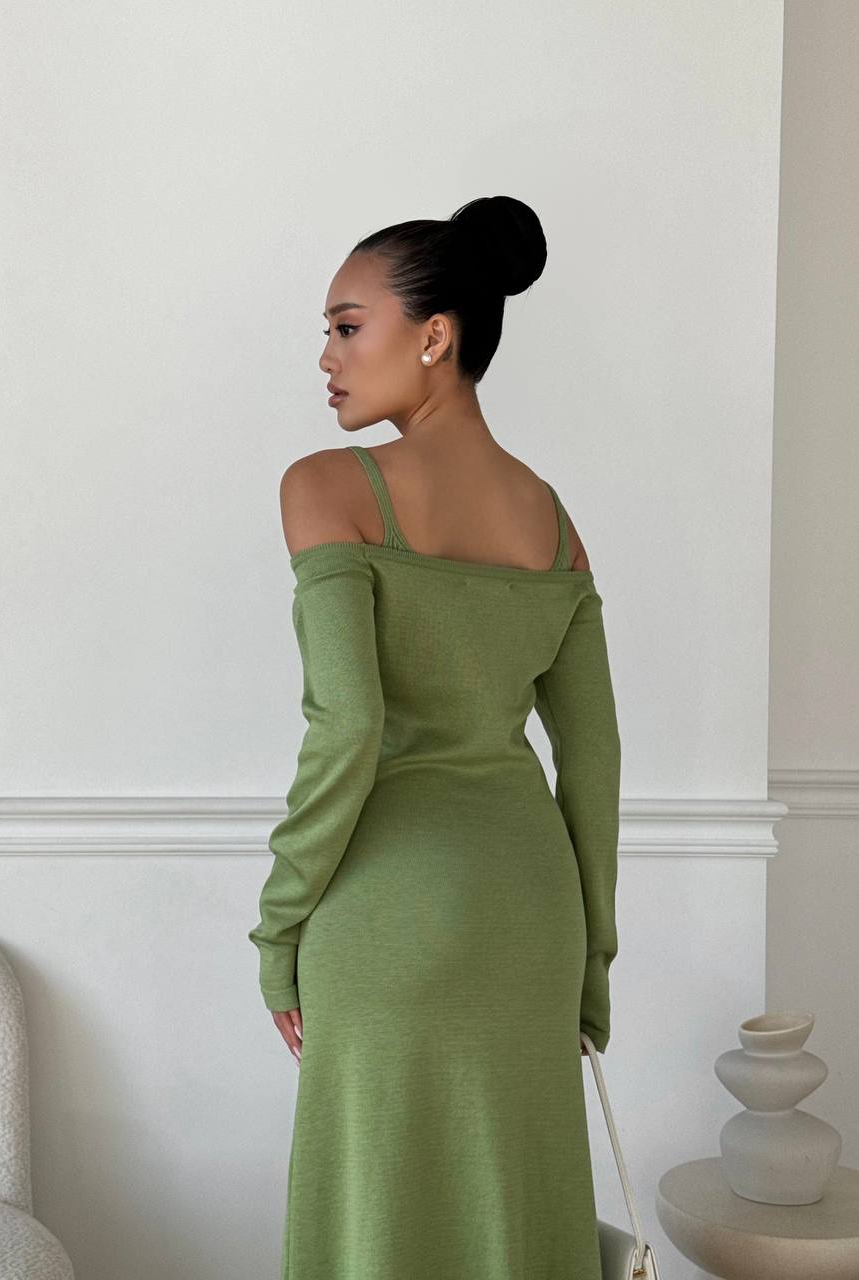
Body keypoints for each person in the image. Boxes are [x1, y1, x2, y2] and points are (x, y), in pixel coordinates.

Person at [248, 195, 622, 1280]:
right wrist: (588, 962)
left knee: (375, 1209)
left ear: (434, 334)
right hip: (530, 912)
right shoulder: (551, 520)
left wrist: (279, 929)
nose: (325, 356)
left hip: (390, 910)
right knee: (516, 1205)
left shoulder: (328, 489)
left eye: (346, 325)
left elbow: (350, 723)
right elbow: (590, 759)